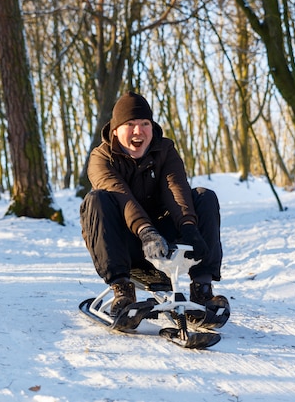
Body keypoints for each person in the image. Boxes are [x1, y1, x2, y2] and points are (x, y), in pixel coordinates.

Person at [80, 91, 227, 317]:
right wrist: (145, 230)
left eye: (145, 123)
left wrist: (188, 226)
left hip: (164, 241)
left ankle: (202, 290)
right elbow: (120, 195)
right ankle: (123, 292)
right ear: (116, 130)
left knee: (204, 196)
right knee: (96, 200)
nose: (138, 131)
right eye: (130, 124)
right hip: (125, 244)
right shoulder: (101, 158)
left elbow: (175, 188)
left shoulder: (165, 150)